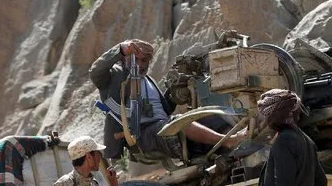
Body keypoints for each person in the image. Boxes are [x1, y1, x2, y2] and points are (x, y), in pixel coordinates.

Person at [89, 38, 242, 160]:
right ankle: (230, 140)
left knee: (211, 116)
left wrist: (176, 92)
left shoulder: (148, 81)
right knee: (179, 122)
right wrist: (120, 49)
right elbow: (95, 71)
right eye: (137, 59)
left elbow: (165, 110)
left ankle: (235, 143)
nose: (141, 65)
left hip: (162, 126)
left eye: (145, 60)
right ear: (125, 58)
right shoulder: (114, 76)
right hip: (142, 135)